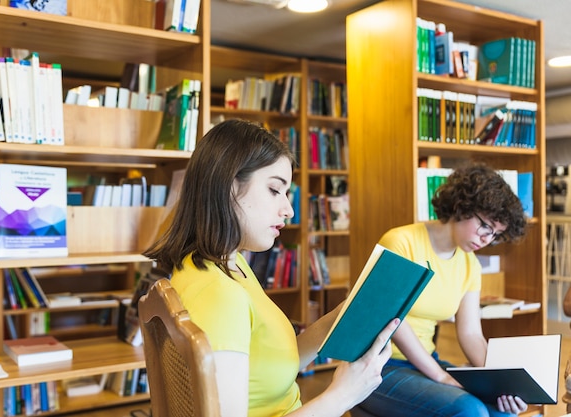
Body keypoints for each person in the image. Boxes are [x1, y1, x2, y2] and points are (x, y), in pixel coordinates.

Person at [143, 118, 399, 417]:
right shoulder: (220, 295)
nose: (288, 209)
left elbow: (268, 363)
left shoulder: (226, 264)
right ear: (228, 185)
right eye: (275, 190)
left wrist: (338, 319)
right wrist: (342, 396)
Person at [351, 163, 529, 417]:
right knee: (470, 410)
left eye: (495, 235)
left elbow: (471, 335)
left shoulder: (470, 264)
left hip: (424, 363)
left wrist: (503, 385)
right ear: (461, 206)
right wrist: (439, 376)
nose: (486, 239)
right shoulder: (401, 242)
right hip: (378, 365)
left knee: (502, 412)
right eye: (485, 226)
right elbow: (394, 320)